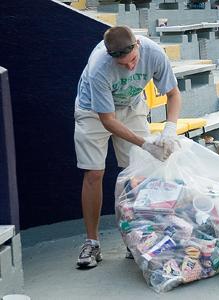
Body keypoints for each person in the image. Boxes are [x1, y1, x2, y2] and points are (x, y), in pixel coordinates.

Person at [74, 26, 181, 268]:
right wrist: (145, 144)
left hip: (131, 105)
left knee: (137, 173)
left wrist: (170, 128)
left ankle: (137, 237)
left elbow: (173, 94)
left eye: (133, 61)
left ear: (138, 46)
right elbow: (108, 120)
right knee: (94, 172)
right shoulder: (99, 67)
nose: (130, 67)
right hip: (94, 111)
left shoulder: (154, 53)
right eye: (123, 65)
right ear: (112, 58)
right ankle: (92, 242)